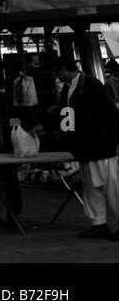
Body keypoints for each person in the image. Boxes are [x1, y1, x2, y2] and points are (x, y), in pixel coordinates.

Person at [49, 54, 119, 240]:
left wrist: (111, 138)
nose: (57, 76)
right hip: (84, 146)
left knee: (112, 188)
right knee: (91, 187)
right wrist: (64, 133)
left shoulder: (92, 85)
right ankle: (99, 224)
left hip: (100, 145)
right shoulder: (68, 88)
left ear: (64, 68)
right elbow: (67, 116)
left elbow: (111, 112)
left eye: (58, 71)